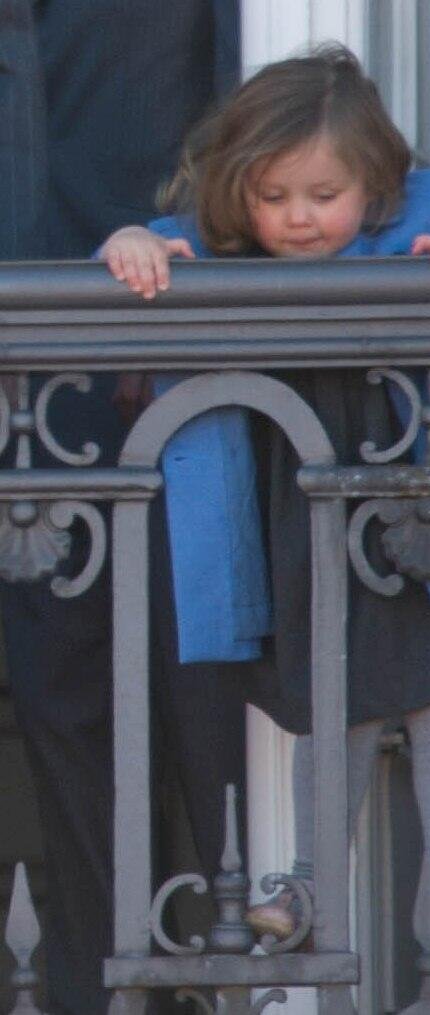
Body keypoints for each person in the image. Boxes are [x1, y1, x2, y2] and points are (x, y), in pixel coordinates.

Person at [98, 45, 430, 965]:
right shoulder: (219, 244)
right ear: (239, 189)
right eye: (273, 195)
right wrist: (128, 244)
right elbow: (145, 249)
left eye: (321, 196)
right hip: (310, 524)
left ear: (376, 182)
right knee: (340, 696)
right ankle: (312, 877)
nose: (296, 218)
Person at [0, 3, 243, 1013]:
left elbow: (272, 122)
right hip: (48, 386)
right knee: (65, 693)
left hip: (147, 370)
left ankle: (186, 981)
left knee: (188, 693)